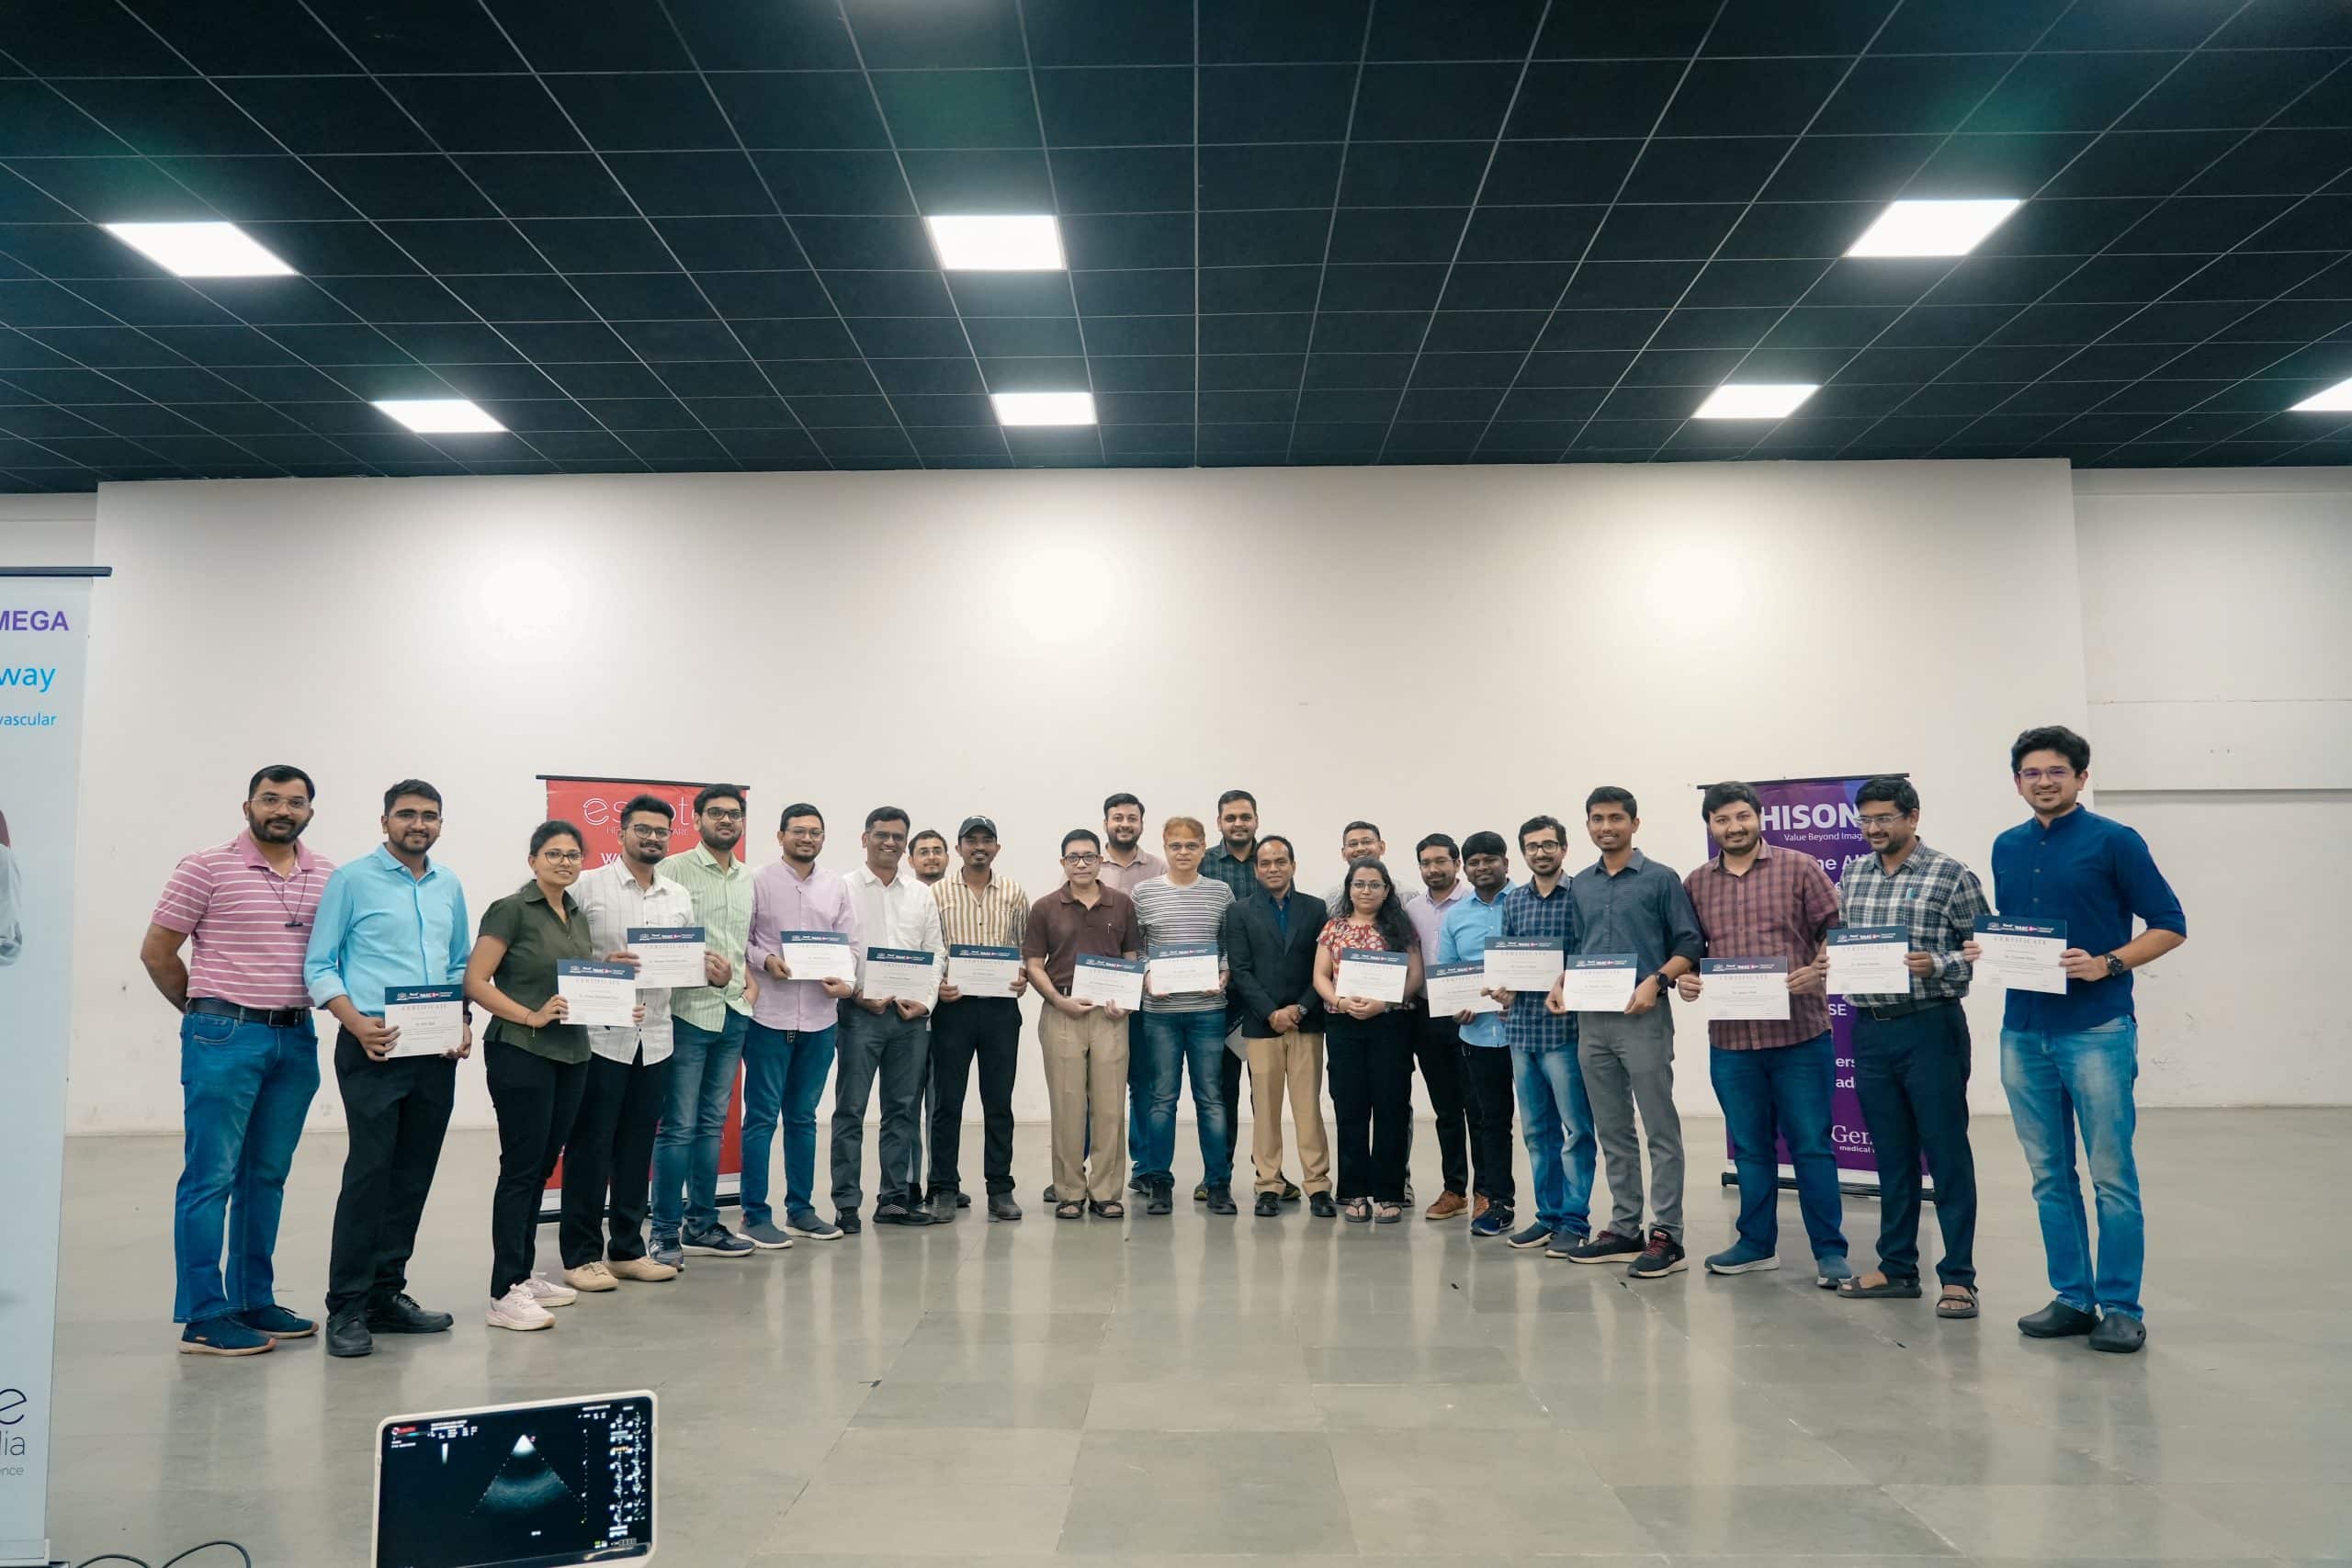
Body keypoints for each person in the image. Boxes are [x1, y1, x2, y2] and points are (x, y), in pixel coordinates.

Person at [1971, 726, 2185, 1354]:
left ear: (2081, 778)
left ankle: (2120, 1306)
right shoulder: (2007, 845)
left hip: (2097, 1029)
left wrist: (2108, 963)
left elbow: (2170, 923)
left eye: (2056, 771)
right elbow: (2020, 932)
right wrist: (1991, 949)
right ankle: (2071, 1297)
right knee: (2048, 1175)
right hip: (2023, 1030)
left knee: (2111, 1174)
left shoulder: (2115, 841)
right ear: (2017, 782)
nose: (2044, 781)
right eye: (2032, 772)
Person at [141, 765, 334, 1356]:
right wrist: (203, 1012)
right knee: (211, 1177)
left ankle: (253, 1299)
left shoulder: (328, 875)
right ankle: (204, 1315)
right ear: (247, 806)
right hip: (225, 1035)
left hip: (295, 1038)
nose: (282, 810)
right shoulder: (205, 866)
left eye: (295, 802)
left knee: (265, 1177)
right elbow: (157, 952)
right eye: (270, 799)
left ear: (310, 811)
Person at [303, 779, 470, 1359]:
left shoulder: (449, 885)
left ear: (440, 823)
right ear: (385, 822)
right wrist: (355, 1023)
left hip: (434, 1050)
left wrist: (461, 1021)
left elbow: (458, 963)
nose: (418, 824)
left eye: (429, 815)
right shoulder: (351, 880)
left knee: (413, 1173)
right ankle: (346, 1307)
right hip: (374, 1044)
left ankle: (385, 1294)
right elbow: (320, 964)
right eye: (407, 814)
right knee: (370, 1174)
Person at [467, 820, 637, 1332]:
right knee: (520, 1170)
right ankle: (504, 1291)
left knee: (542, 1168)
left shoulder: (576, 913)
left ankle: (523, 1276)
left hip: (572, 1054)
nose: (564, 862)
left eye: (572, 855)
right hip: (521, 1050)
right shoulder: (510, 909)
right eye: (554, 854)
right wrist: (530, 1015)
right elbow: (475, 981)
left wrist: (611, 983)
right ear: (533, 860)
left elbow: (572, 983)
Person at [1679, 781, 1849, 1286]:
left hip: (1800, 1037)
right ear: (1710, 826)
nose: (1733, 827)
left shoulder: (1800, 867)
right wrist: (1688, 978)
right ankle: (1756, 1244)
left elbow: (1838, 932)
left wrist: (1820, 968)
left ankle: (1830, 1252)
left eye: (1741, 817)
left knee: (1811, 1146)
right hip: (1733, 1043)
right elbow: (1691, 949)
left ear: (1759, 818)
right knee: (1750, 1148)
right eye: (1722, 820)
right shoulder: (1696, 883)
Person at [1833, 776, 1990, 1321]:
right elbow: (1848, 940)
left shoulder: (1951, 874)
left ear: (1912, 817)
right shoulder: (1853, 874)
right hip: (1871, 1029)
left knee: (1946, 1154)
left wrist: (1938, 963)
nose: (1874, 829)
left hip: (1930, 1028)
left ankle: (1959, 1278)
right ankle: (1897, 1267)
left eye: (1885, 818)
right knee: (1892, 1155)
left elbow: (1984, 949)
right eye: (1866, 819)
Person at [1549, 787, 1702, 1278]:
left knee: (1660, 1129)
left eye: (1616, 818)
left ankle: (1668, 1235)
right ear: (1588, 826)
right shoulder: (1581, 884)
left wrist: (1657, 981)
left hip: (1643, 1018)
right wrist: (1561, 983)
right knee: (1612, 1129)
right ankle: (1624, 1227)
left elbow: (1689, 943)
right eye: (1597, 819)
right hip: (1592, 1021)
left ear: (1635, 823)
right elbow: (1579, 945)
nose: (1606, 827)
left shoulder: (1661, 878)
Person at [559, 794, 694, 1292]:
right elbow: (560, 955)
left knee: (637, 1148)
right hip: (599, 1038)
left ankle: (627, 1250)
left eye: (661, 831)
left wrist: (708, 968)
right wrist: (603, 969)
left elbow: (681, 963)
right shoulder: (587, 886)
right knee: (590, 1147)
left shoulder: (677, 895)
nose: (652, 837)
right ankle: (580, 1255)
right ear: (621, 833)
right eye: (643, 829)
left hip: (655, 1036)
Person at [741, 803, 858, 1246]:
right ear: (780, 836)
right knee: (761, 1118)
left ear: (823, 838)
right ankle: (754, 1214)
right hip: (768, 1017)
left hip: (819, 1018)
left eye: (815, 832)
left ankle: (801, 1209)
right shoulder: (757, 881)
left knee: (804, 1118)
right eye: (798, 831)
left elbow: (850, 946)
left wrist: (845, 982)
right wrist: (766, 959)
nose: (807, 838)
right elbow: (743, 940)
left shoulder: (836, 886)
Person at [655, 784, 753, 1266]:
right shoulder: (672, 870)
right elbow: (657, 942)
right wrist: (698, 968)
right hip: (687, 1013)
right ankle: (664, 1233)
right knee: (678, 1127)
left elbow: (744, 943)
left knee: (713, 1126)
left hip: (734, 1013)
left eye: (734, 813)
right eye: (716, 813)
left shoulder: (747, 877)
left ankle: (701, 1224)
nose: (726, 820)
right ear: (696, 820)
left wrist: (750, 981)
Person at [1022, 829, 1140, 1218]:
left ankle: (1106, 1192)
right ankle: (1070, 1192)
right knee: (1067, 1105)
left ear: (1100, 861)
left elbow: (1131, 957)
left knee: (1110, 1107)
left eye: (1089, 857)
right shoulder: (1044, 908)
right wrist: (1058, 1000)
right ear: (1063, 863)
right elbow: (1034, 964)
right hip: (1062, 1011)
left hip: (1110, 1015)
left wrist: (1125, 1002)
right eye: (1073, 858)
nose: (1082, 864)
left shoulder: (1121, 904)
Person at [1489, 815, 1594, 1255]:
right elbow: (1509, 958)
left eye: (1549, 844)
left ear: (1564, 849)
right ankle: (1548, 1217)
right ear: (1523, 853)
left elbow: (1589, 954)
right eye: (1532, 846)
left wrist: (1569, 981)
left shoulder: (1582, 895)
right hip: (1521, 1030)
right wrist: (1503, 987)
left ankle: (1575, 1220)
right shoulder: (1514, 900)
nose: (1541, 852)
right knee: (1536, 1132)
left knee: (1576, 1131)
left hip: (1566, 1031)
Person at [836, 807, 944, 1229]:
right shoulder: (843, 888)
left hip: (910, 1018)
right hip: (860, 1014)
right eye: (882, 835)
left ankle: (894, 1200)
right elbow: (835, 948)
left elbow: (935, 952)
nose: (890, 843)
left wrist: (927, 1002)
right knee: (850, 1110)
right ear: (865, 839)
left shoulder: (920, 893)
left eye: (898, 837)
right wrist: (855, 991)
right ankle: (847, 1203)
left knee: (902, 1112)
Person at [1131, 816, 1237, 1214]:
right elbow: (1137, 948)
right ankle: (1159, 1181)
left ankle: (1218, 1184)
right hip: (1160, 1014)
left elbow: (1228, 944)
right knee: (1162, 1099)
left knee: (1211, 1099)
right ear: (1165, 847)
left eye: (1191, 845)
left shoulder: (1219, 892)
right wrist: (1146, 975)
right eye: (1175, 845)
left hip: (1208, 1011)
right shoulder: (1144, 893)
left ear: (1203, 847)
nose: (1183, 852)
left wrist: (1224, 973)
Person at [1222, 836, 1333, 1217]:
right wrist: (1271, 1012)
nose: (1273, 868)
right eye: (1265, 863)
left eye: (1280, 861)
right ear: (1256, 870)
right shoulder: (1239, 912)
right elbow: (1240, 970)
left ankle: (1318, 1185)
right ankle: (1268, 1184)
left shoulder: (1315, 908)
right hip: (1261, 1023)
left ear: (1293, 866)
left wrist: (1299, 1008)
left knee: (1307, 1107)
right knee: (1266, 1109)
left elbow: (1324, 966)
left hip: (1306, 1021)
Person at [929, 816, 1031, 1223]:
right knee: (947, 1102)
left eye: (987, 840)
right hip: (953, 1008)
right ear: (958, 848)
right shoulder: (937, 893)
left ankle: (1000, 1188)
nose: (979, 847)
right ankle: (943, 1188)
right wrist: (936, 985)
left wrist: (1022, 976)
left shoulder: (1014, 893)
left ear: (997, 848)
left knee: (999, 1102)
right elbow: (929, 948)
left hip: (1000, 1011)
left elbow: (1023, 948)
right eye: (971, 840)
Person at [1314, 857, 1423, 1224]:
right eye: (1359, 884)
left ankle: (1390, 1192)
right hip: (1343, 1025)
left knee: (1392, 1107)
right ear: (1349, 888)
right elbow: (1320, 976)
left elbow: (1415, 976)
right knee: (1350, 1108)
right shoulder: (1334, 927)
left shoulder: (1401, 927)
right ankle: (1354, 1191)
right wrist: (1340, 1001)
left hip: (1390, 1024)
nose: (1366, 890)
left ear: (1387, 890)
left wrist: (1384, 1003)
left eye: (1374, 884)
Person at [1435, 830, 1518, 1238]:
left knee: (1546, 1123)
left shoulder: (1526, 901)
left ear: (1506, 862)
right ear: (1465, 869)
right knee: (1490, 1122)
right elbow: (1448, 974)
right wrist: (1457, 1007)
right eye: (1475, 862)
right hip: (1479, 1036)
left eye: (1490, 859)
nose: (1482, 867)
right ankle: (1498, 1201)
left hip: (1531, 1033)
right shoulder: (1455, 916)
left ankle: (1559, 1213)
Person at [1194, 789, 1272, 1203]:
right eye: (1231, 817)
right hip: (1218, 992)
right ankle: (1217, 1174)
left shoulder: (1272, 859)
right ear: (1219, 822)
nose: (1238, 824)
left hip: (1265, 993)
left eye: (1245, 816)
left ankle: (1269, 1174)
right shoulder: (1203, 863)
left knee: (1265, 1089)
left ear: (1256, 819)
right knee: (1220, 1089)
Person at [1404, 832, 1474, 1220]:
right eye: (1426, 863)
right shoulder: (1413, 908)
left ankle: (1489, 1192)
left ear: (1456, 863)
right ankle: (1454, 1190)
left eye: (1440, 861)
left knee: (1479, 1108)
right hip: (1428, 1015)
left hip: (1473, 1016)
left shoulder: (1474, 902)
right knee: (1446, 1109)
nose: (1433, 869)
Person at [903, 826, 952, 1204]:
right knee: (905, 1103)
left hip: (951, 1016)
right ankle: (907, 1183)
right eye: (924, 851)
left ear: (948, 857)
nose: (932, 856)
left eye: (938, 850)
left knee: (942, 1106)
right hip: (908, 1014)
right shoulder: (904, 899)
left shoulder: (957, 898)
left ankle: (942, 1181)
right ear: (911, 859)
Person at [1097, 793, 1166, 894]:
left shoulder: (1160, 869)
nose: (1125, 825)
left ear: (1141, 825)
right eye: (1118, 818)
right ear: (1105, 824)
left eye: (1132, 819)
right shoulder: (1088, 866)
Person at [1322, 820, 1386, 908]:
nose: (1360, 848)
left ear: (1382, 847)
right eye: (1353, 844)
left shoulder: (1403, 895)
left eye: (1367, 842)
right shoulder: (1329, 900)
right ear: (1344, 853)